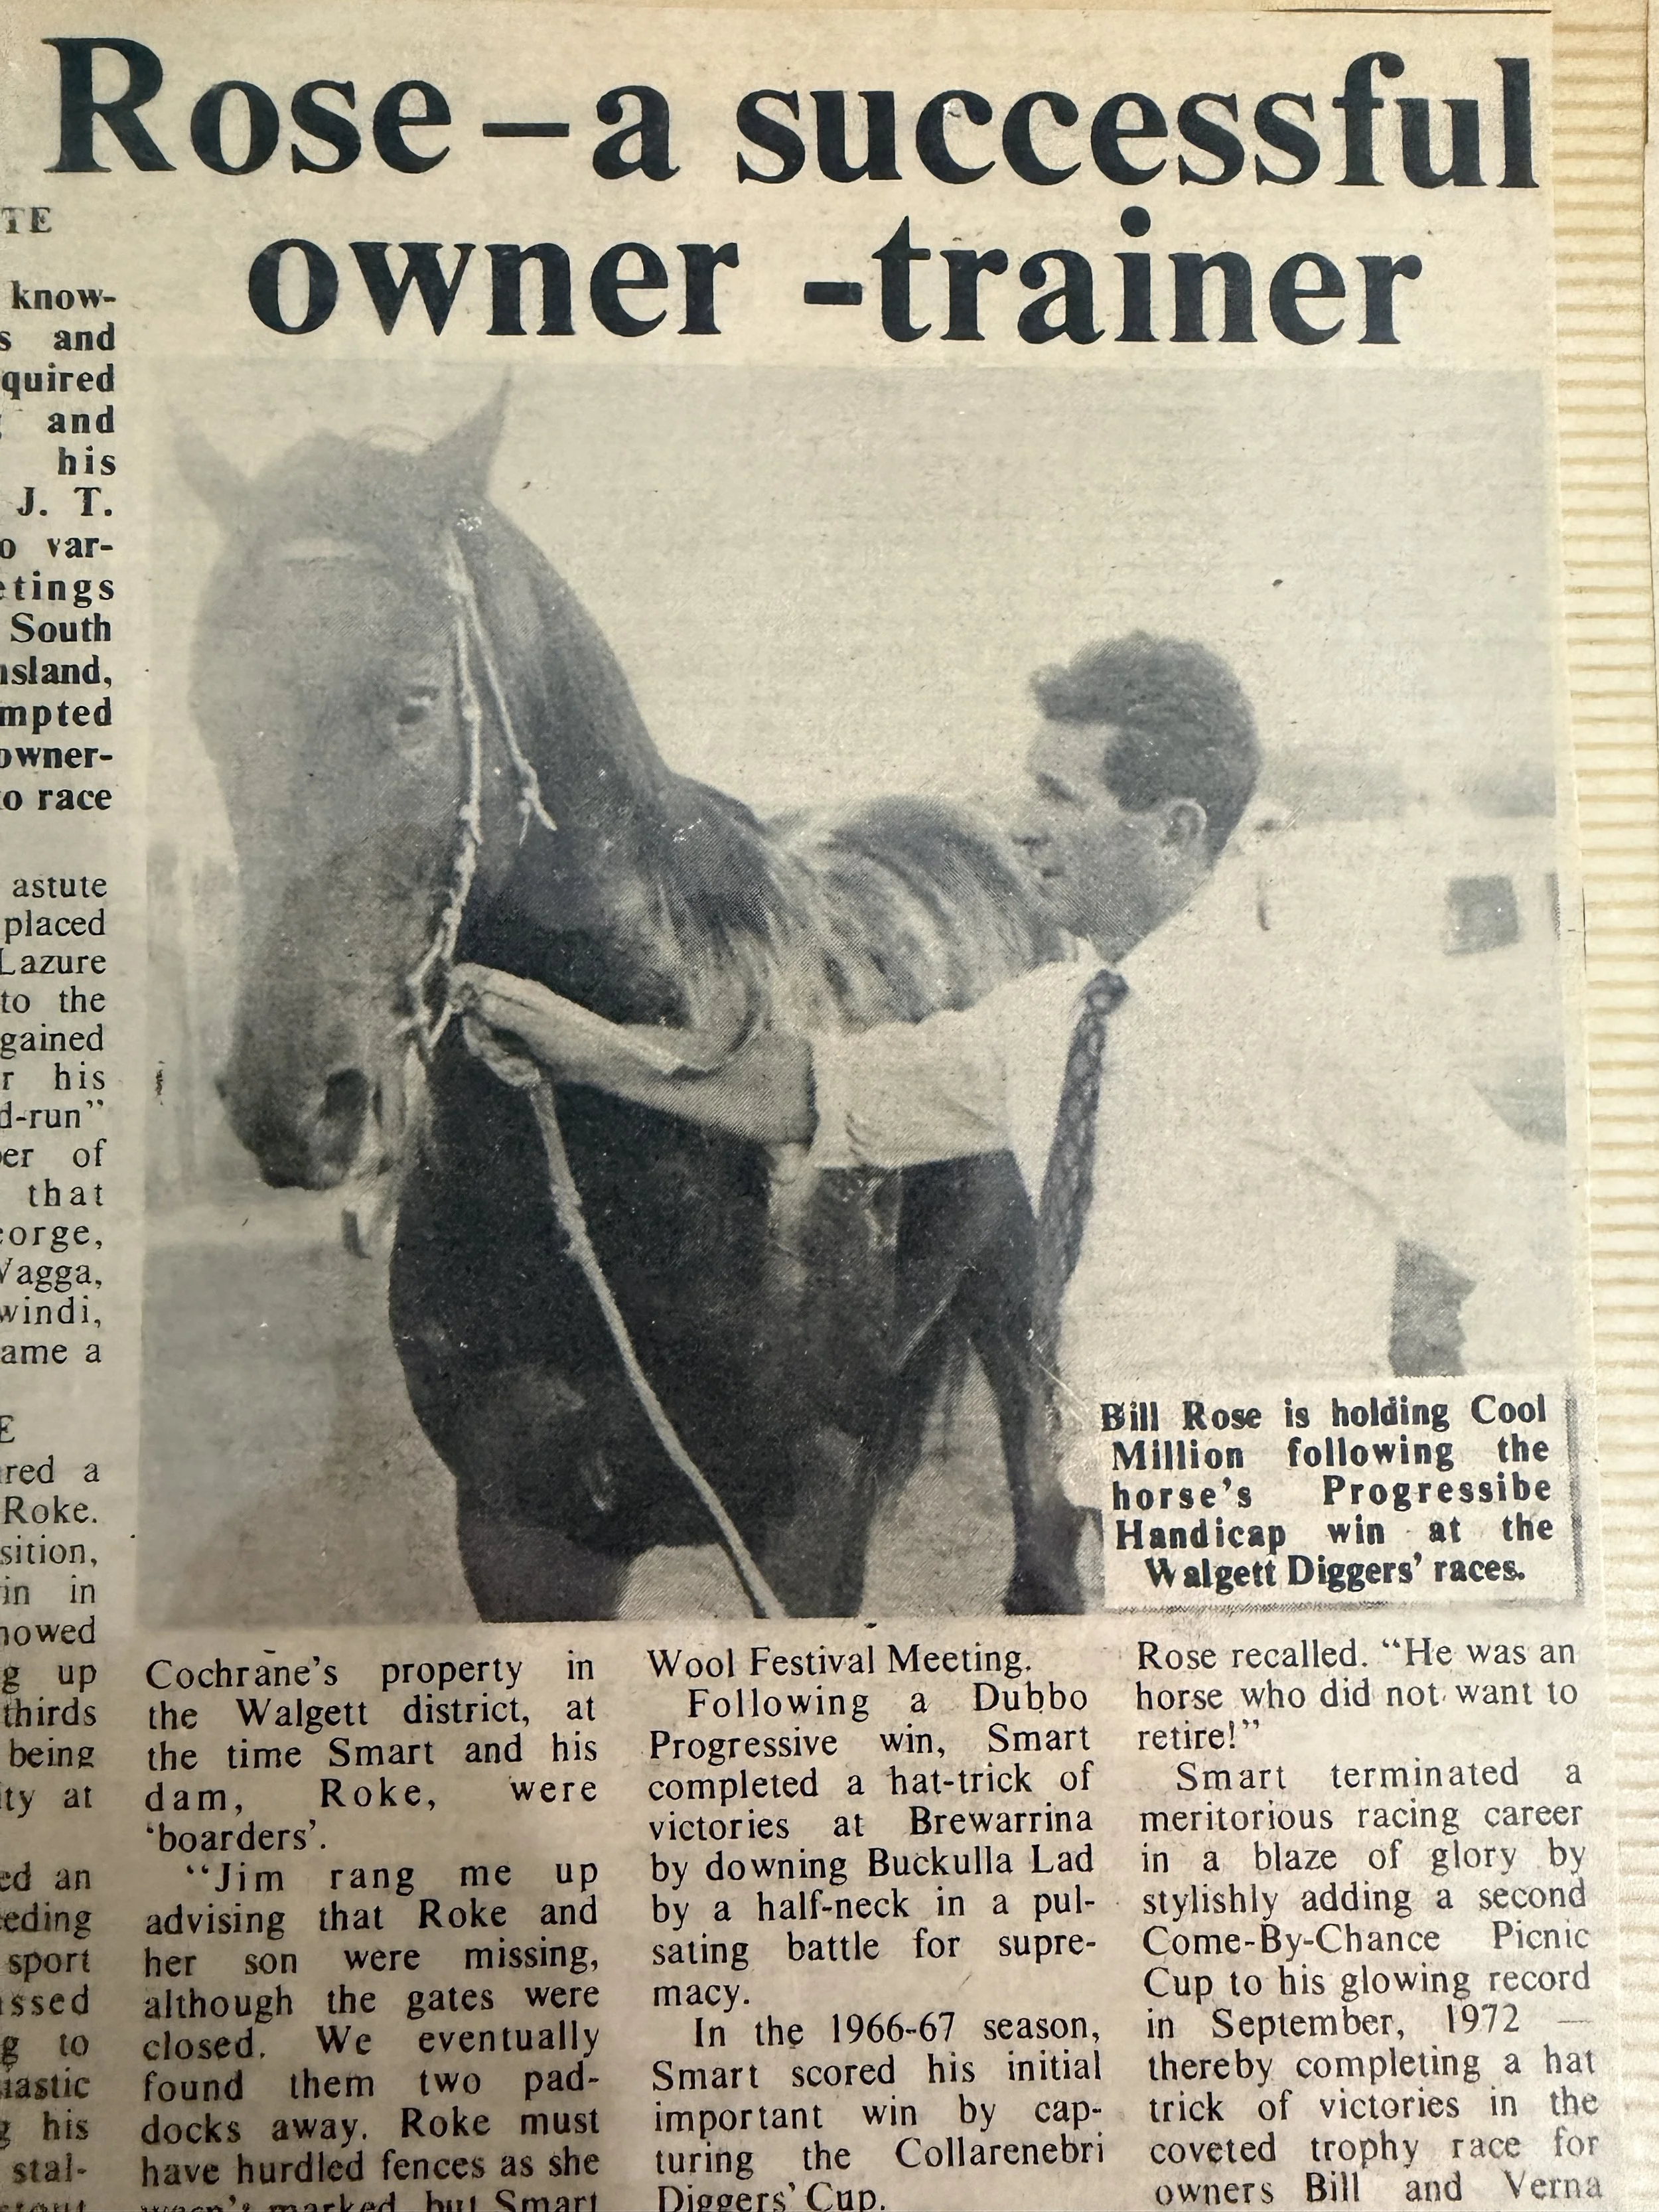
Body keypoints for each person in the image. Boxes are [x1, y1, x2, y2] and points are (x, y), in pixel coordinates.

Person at [454, 632, 1548, 1597]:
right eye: (1028, 788)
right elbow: (818, 1091)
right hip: (1110, 1539)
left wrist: (1436, 1510)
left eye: (1061, 800)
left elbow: (1536, 1237)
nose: (1019, 828)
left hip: (1279, 1551)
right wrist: (588, 1049)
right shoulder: (1046, 1021)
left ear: (1173, 828)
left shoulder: (1317, 1024)